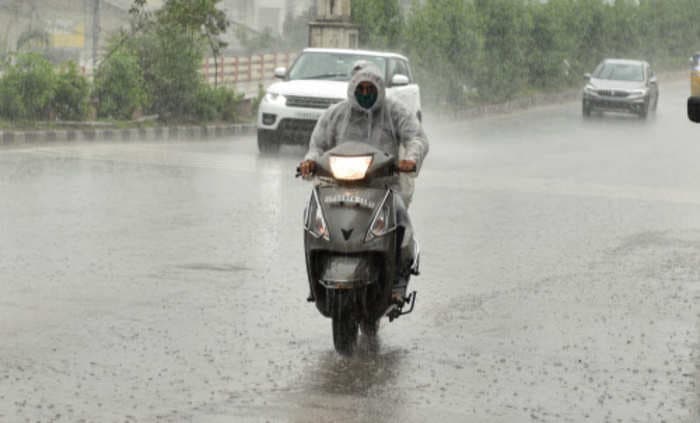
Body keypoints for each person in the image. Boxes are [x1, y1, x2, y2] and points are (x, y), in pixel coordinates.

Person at [298, 61, 429, 299]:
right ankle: (315, 275)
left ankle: (398, 280)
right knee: (315, 221)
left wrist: (411, 158)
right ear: (353, 89)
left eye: (371, 90)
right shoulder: (335, 114)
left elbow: (416, 137)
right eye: (361, 90)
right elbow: (317, 145)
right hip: (339, 185)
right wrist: (310, 161)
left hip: (383, 185)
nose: (366, 94)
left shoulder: (395, 112)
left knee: (399, 220)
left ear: (379, 89)